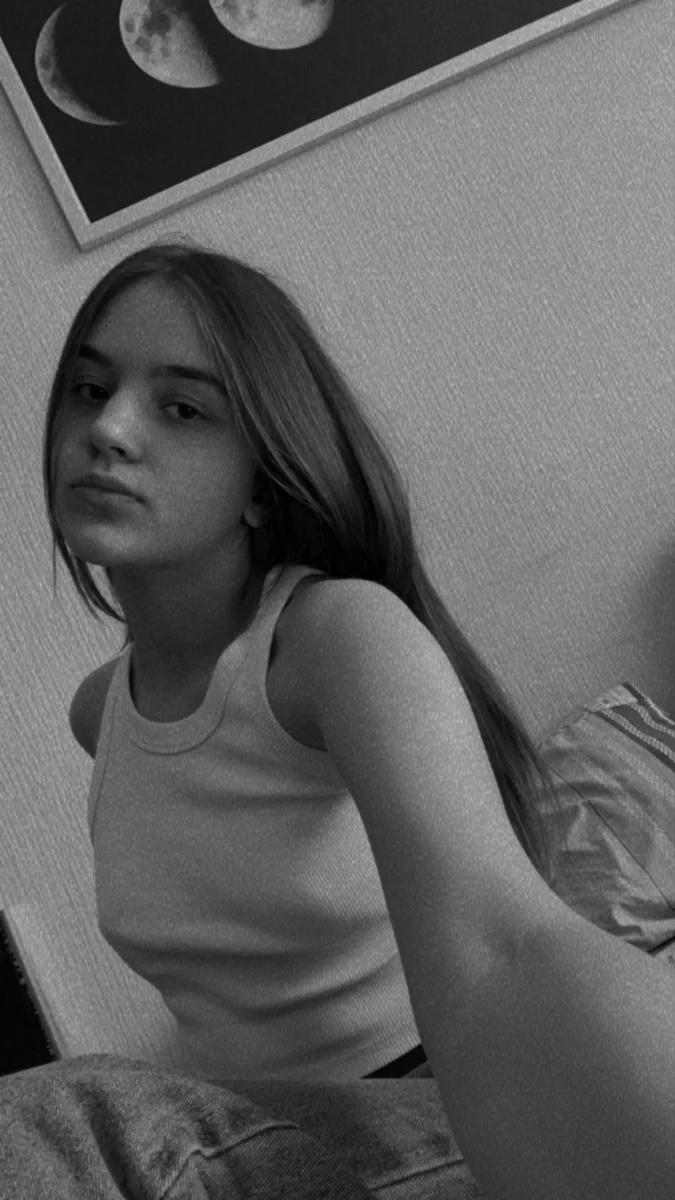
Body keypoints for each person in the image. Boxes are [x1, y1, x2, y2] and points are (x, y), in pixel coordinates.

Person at [41, 238, 674, 1199]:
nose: (110, 430)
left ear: (262, 482)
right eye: (90, 390)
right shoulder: (99, 714)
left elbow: (505, 945)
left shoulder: (332, 637)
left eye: (182, 408)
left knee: (55, 1114)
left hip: (431, 1108)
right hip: (261, 1138)